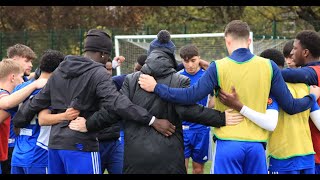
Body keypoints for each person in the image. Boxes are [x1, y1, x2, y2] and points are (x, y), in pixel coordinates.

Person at [138, 20, 320, 174]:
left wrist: (157, 88)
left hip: (228, 145)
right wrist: (311, 98)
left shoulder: (219, 67)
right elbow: (290, 106)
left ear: (227, 40)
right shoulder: (269, 66)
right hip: (257, 147)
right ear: (249, 40)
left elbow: (189, 96)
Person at [69, 29, 245, 174]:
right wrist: (221, 118)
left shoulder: (131, 80)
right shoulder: (179, 80)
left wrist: (89, 123)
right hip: (169, 160)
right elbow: (189, 110)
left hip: (136, 160)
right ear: (171, 56)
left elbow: (114, 110)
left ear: (150, 54)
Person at [12, 29, 175, 174]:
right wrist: (152, 120)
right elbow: (117, 103)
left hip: (55, 146)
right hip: (80, 146)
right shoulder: (98, 72)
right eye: (108, 56)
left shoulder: (61, 70)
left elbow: (38, 101)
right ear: (103, 54)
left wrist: (19, 119)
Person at [260, 48, 319, 174]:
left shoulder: (271, 89)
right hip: (307, 156)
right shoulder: (305, 87)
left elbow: (270, 123)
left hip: (283, 157)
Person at [10, 50, 65, 174]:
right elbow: (44, 119)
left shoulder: (21, 88)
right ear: (59, 70)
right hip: (39, 153)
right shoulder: (52, 90)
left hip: (18, 153)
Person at [281, 30, 320, 174]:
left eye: (295, 48)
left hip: (315, 153)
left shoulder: (313, 72)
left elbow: (285, 74)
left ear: (305, 52)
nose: (291, 52)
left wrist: (259, 68)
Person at [2, 44, 37, 174]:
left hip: (19, 144)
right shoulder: (6, 85)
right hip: (7, 145)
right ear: (14, 60)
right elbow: (6, 104)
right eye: (27, 61)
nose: (31, 65)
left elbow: (35, 76)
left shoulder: (24, 81)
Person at [178, 44, 212, 174]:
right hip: (182, 130)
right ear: (182, 61)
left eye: (193, 60)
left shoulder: (208, 75)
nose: (190, 65)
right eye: (186, 61)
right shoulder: (177, 76)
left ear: (199, 59)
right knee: (181, 168)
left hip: (201, 130)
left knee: (198, 169)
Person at [0, 59, 24, 174]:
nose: (23, 81)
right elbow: (7, 103)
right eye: (22, 77)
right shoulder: (4, 96)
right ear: (13, 77)